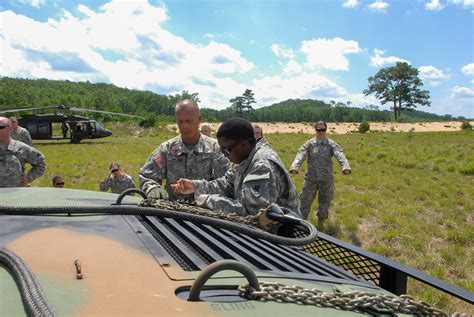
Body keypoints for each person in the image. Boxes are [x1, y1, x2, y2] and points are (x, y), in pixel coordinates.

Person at [171, 117, 301, 218]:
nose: (225, 155)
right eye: (221, 150)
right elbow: (226, 183)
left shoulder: (261, 166)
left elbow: (253, 213)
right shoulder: (245, 157)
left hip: (281, 240)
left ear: (244, 144)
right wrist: (195, 186)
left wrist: (207, 200)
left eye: (227, 150)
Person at [139, 99, 230, 202]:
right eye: (180, 121)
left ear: (199, 119)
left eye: (188, 121)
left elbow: (227, 181)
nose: (184, 126)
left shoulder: (215, 149)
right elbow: (147, 175)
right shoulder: (167, 149)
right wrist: (152, 187)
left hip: (207, 212)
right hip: (173, 210)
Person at [289, 120, 351, 228]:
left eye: (323, 130)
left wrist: (345, 166)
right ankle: (302, 226)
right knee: (304, 202)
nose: (321, 132)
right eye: (319, 130)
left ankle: (320, 227)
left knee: (324, 203)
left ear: (326, 130)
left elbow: (340, 154)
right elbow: (301, 154)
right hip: (310, 179)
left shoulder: (331, 144)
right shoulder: (309, 144)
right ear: (315, 130)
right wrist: (295, 166)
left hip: (326, 180)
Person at [0, 117, 45, 187]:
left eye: (0, 127)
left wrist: (28, 178)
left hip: (16, 193)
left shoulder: (21, 148)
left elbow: (41, 162)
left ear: (10, 129)